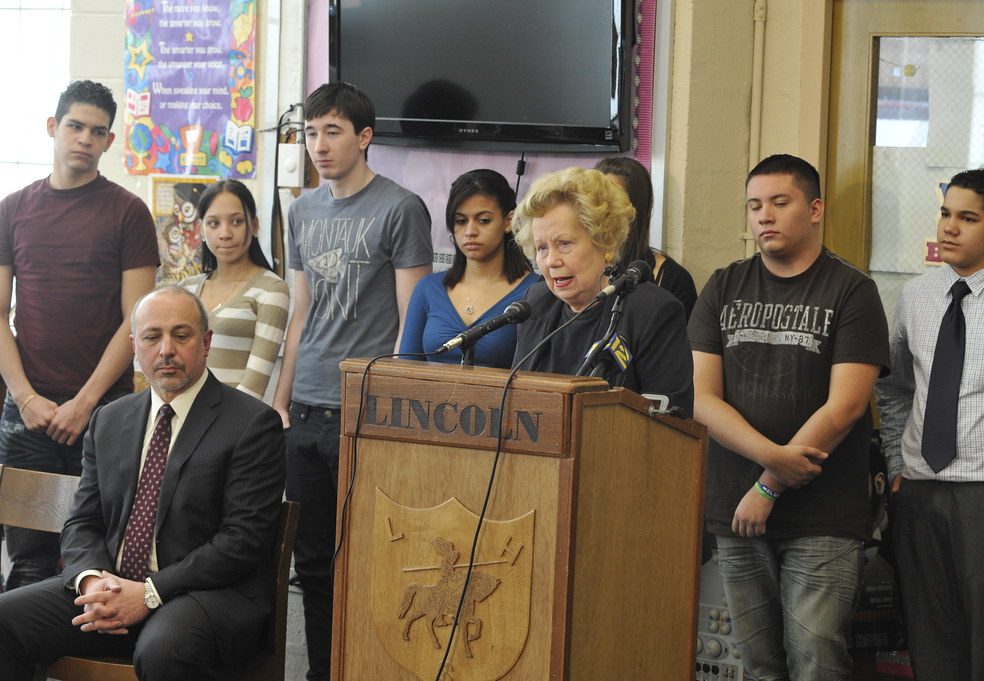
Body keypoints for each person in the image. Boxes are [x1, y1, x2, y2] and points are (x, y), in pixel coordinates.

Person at [0, 286, 286, 680]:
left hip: (205, 594)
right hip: (114, 587)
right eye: (152, 337)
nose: (166, 350)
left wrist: (150, 593)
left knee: (163, 651)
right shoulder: (109, 419)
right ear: (135, 347)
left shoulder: (251, 422)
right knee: (5, 620)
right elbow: (83, 521)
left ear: (206, 342)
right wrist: (92, 582)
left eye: (181, 335)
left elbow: (243, 539)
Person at [687, 154, 889, 680]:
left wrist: (769, 486)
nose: (764, 216)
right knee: (759, 667)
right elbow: (701, 397)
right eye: (755, 205)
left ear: (815, 209)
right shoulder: (723, 285)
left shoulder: (852, 290)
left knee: (816, 662)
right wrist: (771, 462)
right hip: (735, 508)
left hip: (822, 516)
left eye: (780, 202)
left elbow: (846, 406)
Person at [271, 81, 432, 681]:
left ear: (364, 137)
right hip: (304, 410)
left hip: (366, 410)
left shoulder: (401, 207)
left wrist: (391, 403)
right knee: (311, 564)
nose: (319, 145)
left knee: (371, 558)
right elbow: (301, 311)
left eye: (332, 131)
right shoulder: (301, 210)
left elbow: (412, 318)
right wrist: (280, 401)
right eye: (311, 133)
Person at [0, 80, 158, 589]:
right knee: (27, 563)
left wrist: (85, 403)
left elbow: (136, 321)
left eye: (98, 131)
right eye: (75, 126)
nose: (85, 139)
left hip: (105, 412)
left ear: (109, 141)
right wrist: (25, 397)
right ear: (53, 127)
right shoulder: (13, 209)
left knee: (97, 565)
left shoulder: (128, 212)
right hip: (28, 413)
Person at [876, 168, 984, 681]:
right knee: (930, 647)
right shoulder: (917, 295)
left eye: (967, 218)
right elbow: (894, 388)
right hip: (918, 493)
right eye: (945, 214)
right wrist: (896, 462)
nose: (949, 227)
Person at [510, 166, 693, 415]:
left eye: (564, 243)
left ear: (604, 241)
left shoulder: (654, 311)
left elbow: (671, 422)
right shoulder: (535, 302)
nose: (551, 261)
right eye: (542, 248)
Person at [399, 169, 539, 367]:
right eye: (461, 221)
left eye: (483, 220)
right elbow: (405, 369)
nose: (470, 231)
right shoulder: (428, 288)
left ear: (508, 221)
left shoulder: (536, 292)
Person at [180, 180, 289, 400]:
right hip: (180, 413)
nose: (225, 233)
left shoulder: (271, 290)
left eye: (237, 221)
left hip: (236, 417)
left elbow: (253, 387)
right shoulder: (186, 289)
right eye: (213, 223)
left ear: (254, 225)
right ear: (202, 230)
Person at [594, 156, 698, 320]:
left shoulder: (673, 278)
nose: (602, 208)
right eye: (596, 199)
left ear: (636, 207)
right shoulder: (576, 269)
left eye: (614, 199)